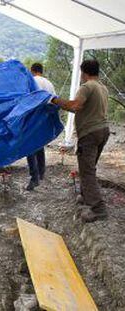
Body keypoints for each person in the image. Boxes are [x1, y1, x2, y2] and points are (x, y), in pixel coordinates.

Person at [52, 59, 109, 223]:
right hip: (103, 131)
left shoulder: (87, 87)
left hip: (90, 133)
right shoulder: (102, 87)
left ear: (83, 72)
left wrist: (55, 100)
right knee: (90, 166)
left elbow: (74, 106)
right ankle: (85, 195)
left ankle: (98, 209)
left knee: (87, 170)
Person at [26, 63, 56, 191]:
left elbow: (26, 100)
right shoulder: (49, 83)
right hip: (45, 118)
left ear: (32, 71)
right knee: (39, 144)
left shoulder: (31, 81)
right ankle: (42, 172)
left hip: (33, 117)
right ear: (41, 71)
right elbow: (54, 100)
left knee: (28, 147)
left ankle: (34, 178)